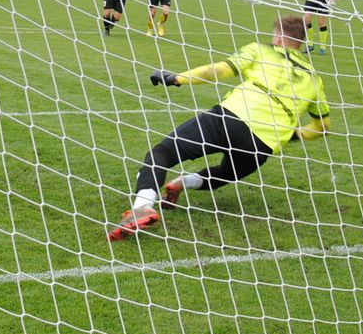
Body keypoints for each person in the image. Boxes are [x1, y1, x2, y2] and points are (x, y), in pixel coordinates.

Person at [108, 14, 332, 241]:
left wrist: (176, 78)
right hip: (263, 143)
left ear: (278, 36)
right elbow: (322, 126)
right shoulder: (315, 79)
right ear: (301, 41)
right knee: (226, 173)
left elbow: (215, 71)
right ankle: (182, 183)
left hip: (230, 117)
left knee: (162, 153)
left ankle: (143, 206)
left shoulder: (262, 50)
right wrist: (294, 134)